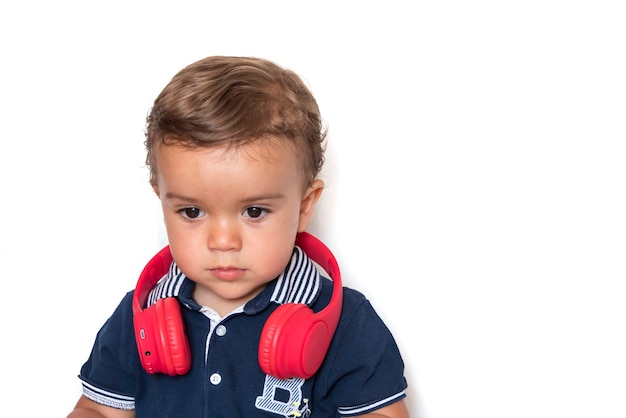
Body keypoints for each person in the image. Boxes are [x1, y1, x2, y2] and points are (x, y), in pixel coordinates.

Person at [68, 56, 410, 417]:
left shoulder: (344, 322)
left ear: (304, 206)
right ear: (162, 201)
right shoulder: (140, 317)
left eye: (254, 211)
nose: (222, 241)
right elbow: (99, 410)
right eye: (192, 212)